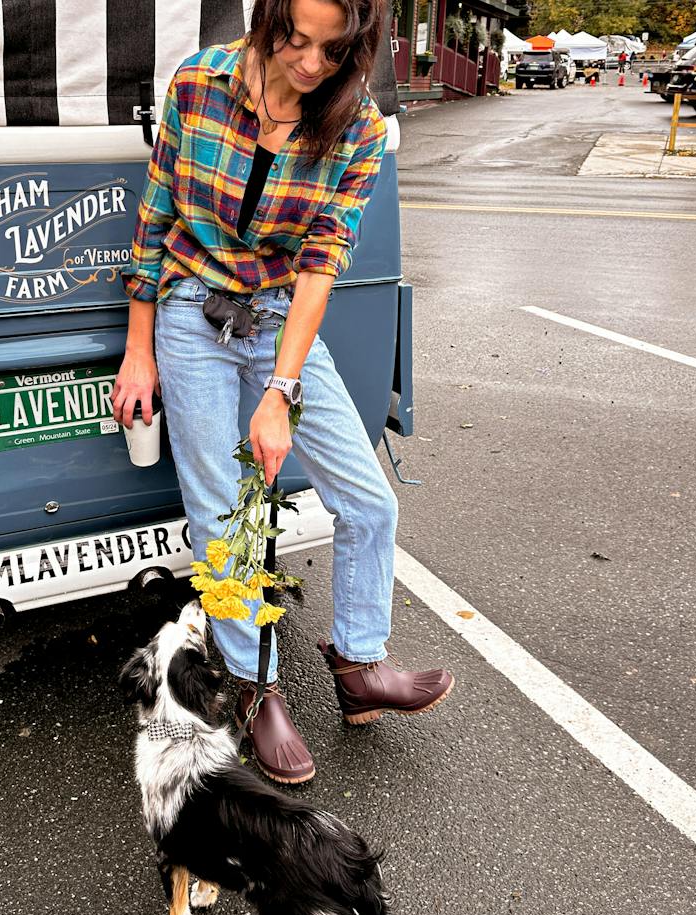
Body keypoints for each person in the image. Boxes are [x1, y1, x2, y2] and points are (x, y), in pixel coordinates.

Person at [112, 0, 454, 786]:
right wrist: (138, 351)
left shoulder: (357, 126)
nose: (308, 63)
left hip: (278, 318)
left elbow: (322, 259)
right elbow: (155, 219)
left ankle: (359, 665)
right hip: (191, 311)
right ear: (268, 20)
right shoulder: (199, 83)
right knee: (221, 512)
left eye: (332, 51)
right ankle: (256, 686)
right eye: (295, 40)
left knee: (368, 500)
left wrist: (282, 390)